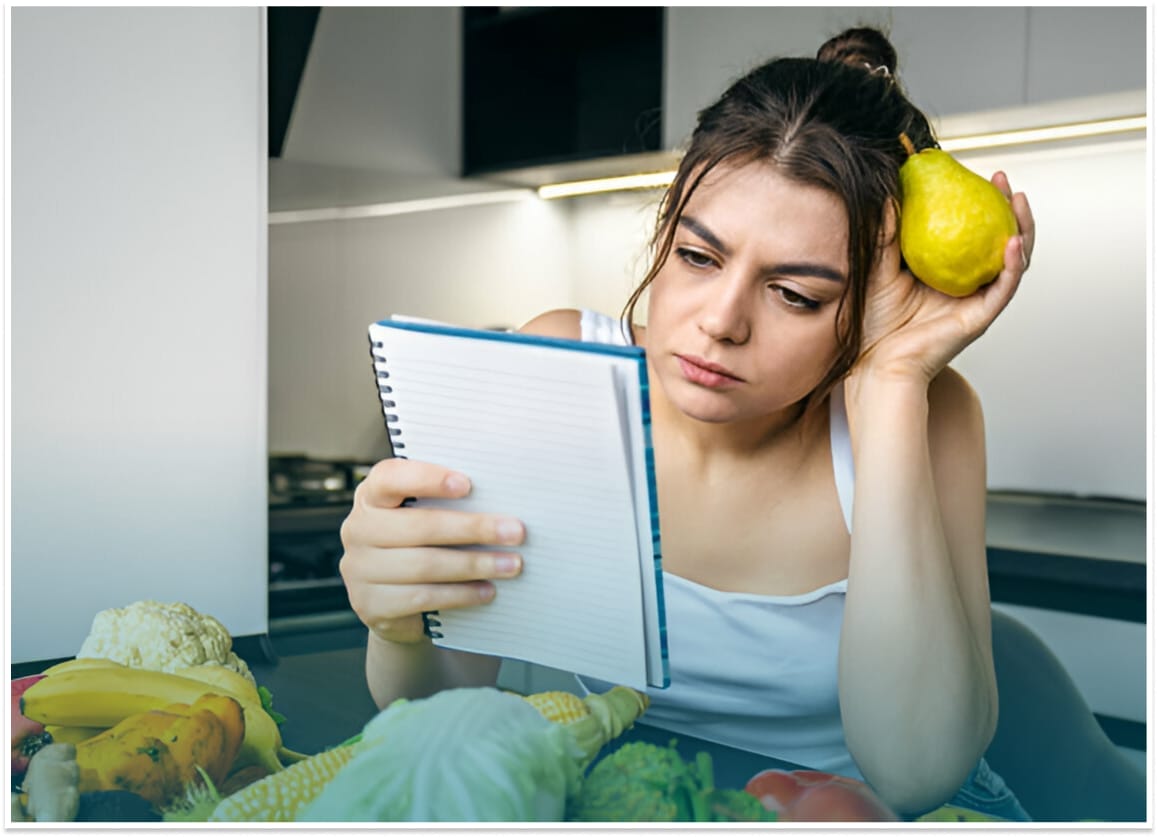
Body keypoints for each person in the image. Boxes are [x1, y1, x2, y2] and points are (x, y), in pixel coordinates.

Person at [338, 26, 1037, 820]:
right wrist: (396, 624)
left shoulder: (924, 410)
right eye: (698, 258)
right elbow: (437, 709)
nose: (720, 322)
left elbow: (916, 773)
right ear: (663, 229)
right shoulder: (562, 366)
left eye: (795, 294)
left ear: (873, 299)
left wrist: (889, 380)